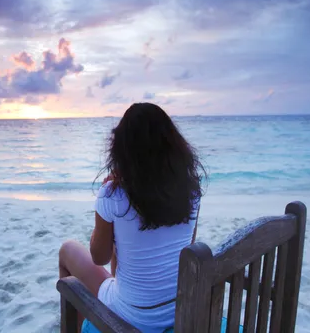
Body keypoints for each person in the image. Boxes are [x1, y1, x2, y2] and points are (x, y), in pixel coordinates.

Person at [59, 103, 205, 332]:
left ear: (121, 150)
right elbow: (186, 248)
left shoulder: (112, 194)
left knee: (67, 251)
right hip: (176, 309)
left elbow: (99, 257)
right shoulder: (192, 192)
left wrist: (106, 225)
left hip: (132, 316)